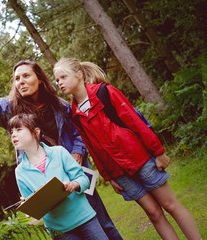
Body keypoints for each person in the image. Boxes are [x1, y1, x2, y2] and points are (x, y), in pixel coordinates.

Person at [0, 60, 123, 239]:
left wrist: (78, 153)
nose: (21, 81)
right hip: (45, 185)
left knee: (104, 225)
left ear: (39, 78)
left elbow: (80, 132)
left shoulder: (60, 105)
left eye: (26, 76)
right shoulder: (7, 108)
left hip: (74, 175)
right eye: (17, 78)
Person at [53, 57, 201, 240]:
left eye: (63, 77)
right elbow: (92, 148)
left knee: (170, 205)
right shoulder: (74, 114)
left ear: (79, 74)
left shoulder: (105, 92)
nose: (59, 82)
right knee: (154, 214)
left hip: (141, 160)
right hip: (120, 173)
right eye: (57, 79)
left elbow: (135, 121)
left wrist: (158, 152)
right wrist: (109, 176)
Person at [9, 113, 108, 240]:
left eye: (18, 129)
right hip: (59, 231)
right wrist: (31, 205)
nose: (13, 134)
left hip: (85, 218)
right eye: (11, 131)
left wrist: (73, 185)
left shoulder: (59, 152)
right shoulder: (20, 172)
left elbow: (83, 179)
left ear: (36, 132)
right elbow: (32, 206)